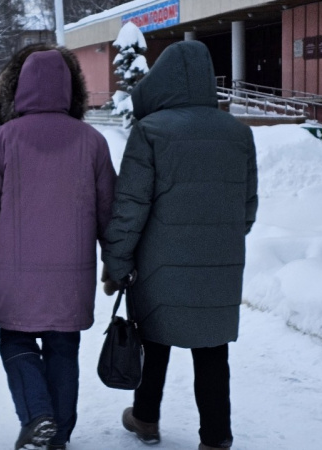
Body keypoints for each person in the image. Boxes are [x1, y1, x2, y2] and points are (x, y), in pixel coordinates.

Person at [0, 44, 116, 450]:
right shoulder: (92, 142)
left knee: (15, 341)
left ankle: (37, 416)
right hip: (72, 279)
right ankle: (57, 436)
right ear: (71, 89)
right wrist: (115, 262)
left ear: (19, 88)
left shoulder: (2, 140)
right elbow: (109, 212)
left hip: (16, 278)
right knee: (64, 349)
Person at [101, 40, 258, 450]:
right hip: (220, 266)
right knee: (212, 350)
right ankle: (216, 438)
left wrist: (117, 262)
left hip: (158, 264)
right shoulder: (238, 133)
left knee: (153, 338)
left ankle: (145, 418)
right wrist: (218, 243)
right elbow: (247, 208)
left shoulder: (150, 131)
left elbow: (130, 206)